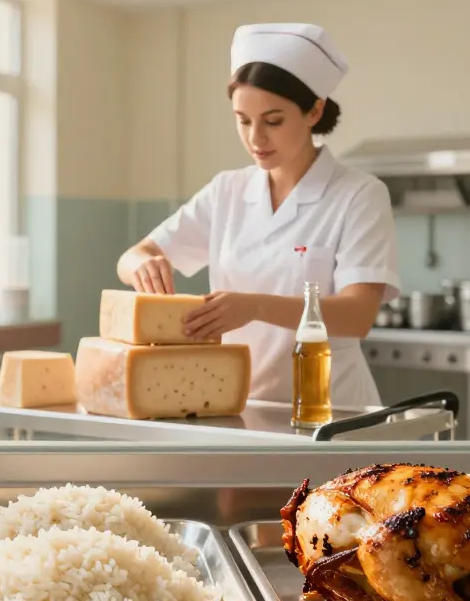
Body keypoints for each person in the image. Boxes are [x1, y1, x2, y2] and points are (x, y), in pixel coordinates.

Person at [116, 23, 399, 408]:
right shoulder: (227, 191)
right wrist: (142, 266)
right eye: (242, 120)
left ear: (314, 110)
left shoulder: (359, 195)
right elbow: (133, 255)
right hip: (238, 406)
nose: (255, 139)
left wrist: (255, 306)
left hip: (331, 410)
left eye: (273, 120)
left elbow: (357, 314)